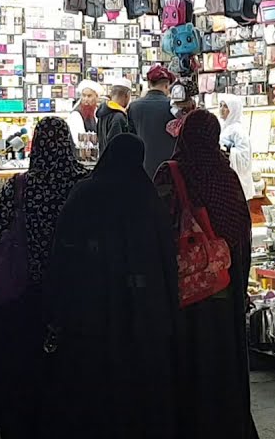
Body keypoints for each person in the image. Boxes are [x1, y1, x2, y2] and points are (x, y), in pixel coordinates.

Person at [41, 134, 179, 438]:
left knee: (94, 378)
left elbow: (63, 250)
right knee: (139, 381)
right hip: (142, 310)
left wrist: (57, 304)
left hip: (91, 308)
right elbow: (165, 254)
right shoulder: (146, 196)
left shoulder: (85, 193)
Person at [152, 112, 258, 439]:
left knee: (189, 364)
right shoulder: (226, 175)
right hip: (225, 283)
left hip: (186, 288)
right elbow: (242, 230)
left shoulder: (171, 173)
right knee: (222, 362)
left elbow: (158, 229)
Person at [0, 117, 89, 438]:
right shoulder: (86, 184)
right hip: (76, 293)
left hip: (25, 291)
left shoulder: (20, 187)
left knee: (25, 363)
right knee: (70, 365)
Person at [128, 65, 176, 177]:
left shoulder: (134, 107)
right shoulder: (174, 107)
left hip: (142, 169)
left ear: (149, 84)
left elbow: (131, 137)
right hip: (169, 170)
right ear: (167, 85)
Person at [218, 94, 255, 200]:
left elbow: (244, 158)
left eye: (226, 106)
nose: (222, 109)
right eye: (221, 105)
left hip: (240, 183)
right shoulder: (224, 127)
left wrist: (227, 151)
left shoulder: (238, 131)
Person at [96, 77, 135, 153]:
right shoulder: (118, 117)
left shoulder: (102, 113)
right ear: (127, 95)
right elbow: (116, 147)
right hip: (115, 163)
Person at [66, 80, 103, 145]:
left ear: (96, 97)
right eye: (83, 95)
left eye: (89, 96)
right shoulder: (76, 115)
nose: (86, 99)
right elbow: (79, 141)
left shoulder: (98, 111)